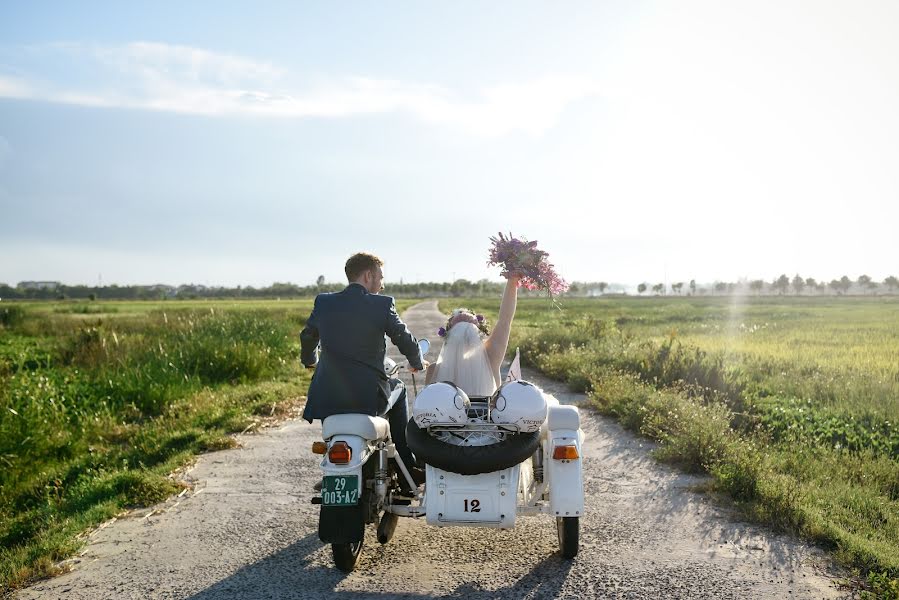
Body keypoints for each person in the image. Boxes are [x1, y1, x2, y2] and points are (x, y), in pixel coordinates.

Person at [300, 252, 428, 486]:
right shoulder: (382, 304)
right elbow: (404, 338)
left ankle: (334, 472)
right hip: (368, 398)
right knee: (398, 388)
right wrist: (416, 362)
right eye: (380, 277)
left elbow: (308, 336)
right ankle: (408, 468)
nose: (382, 284)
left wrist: (311, 360)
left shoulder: (324, 302)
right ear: (368, 275)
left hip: (327, 396)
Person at [425, 273, 520, 396]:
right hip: (485, 415)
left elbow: (427, 404)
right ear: (478, 334)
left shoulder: (434, 370)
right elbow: (505, 320)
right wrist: (513, 280)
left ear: (448, 337)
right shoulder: (490, 359)